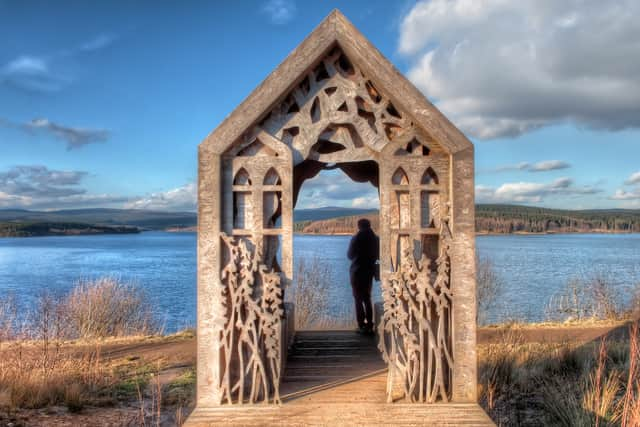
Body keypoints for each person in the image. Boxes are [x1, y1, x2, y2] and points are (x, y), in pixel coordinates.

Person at [347, 218, 379, 335]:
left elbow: (350, 255)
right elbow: (379, 256)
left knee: (358, 299)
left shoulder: (356, 239)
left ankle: (361, 325)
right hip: (369, 272)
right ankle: (370, 325)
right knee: (367, 298)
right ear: (369, 226)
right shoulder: (376, 239)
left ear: (359, 226)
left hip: (357, 271)